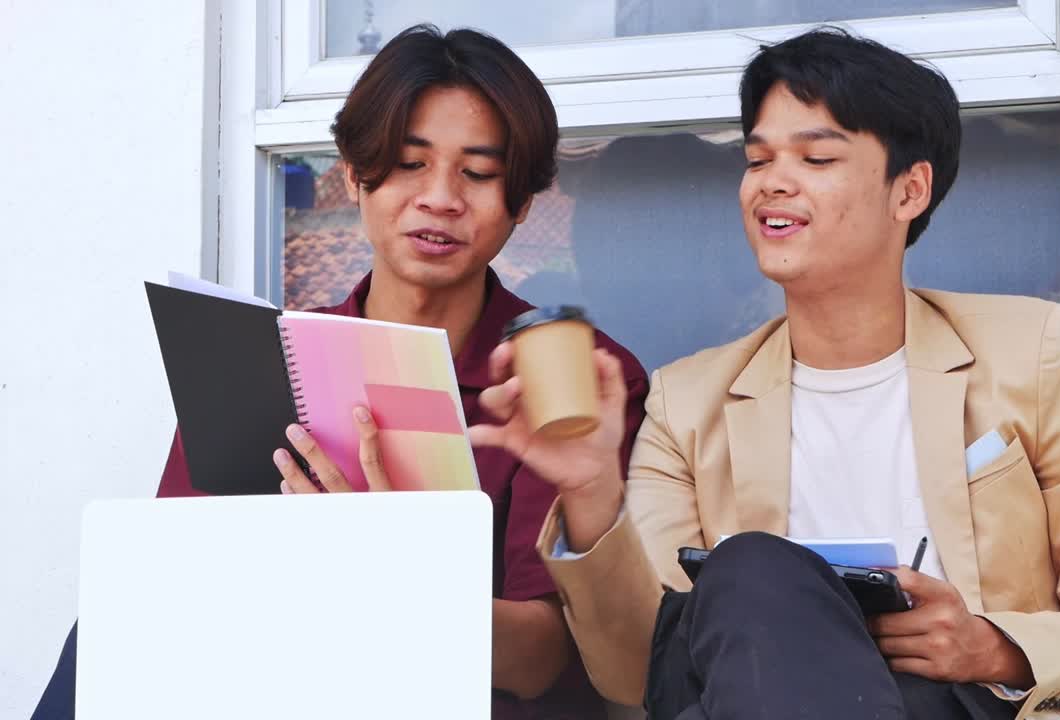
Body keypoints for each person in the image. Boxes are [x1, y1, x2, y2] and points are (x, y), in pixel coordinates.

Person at [470, 27, 1060, 720]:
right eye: (758, 160)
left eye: (815, 160)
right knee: (750, 573)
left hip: (964, 706)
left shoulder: (1032, 351)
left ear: (909, 192)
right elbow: (638, 669)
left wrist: (989, 646)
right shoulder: (688, 403)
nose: (773, 184)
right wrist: (593, 487)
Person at [32, 24, 649, 720]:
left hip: (456, 701)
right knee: (109, 635)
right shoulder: (257, 357)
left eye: (478, 173)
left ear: (522, 204)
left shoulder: (557, 376)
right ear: (355, 175)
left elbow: (540, 665)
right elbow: (173, 586)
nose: (440, 197)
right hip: (277, 687)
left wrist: (389, 566)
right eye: (410, 163)